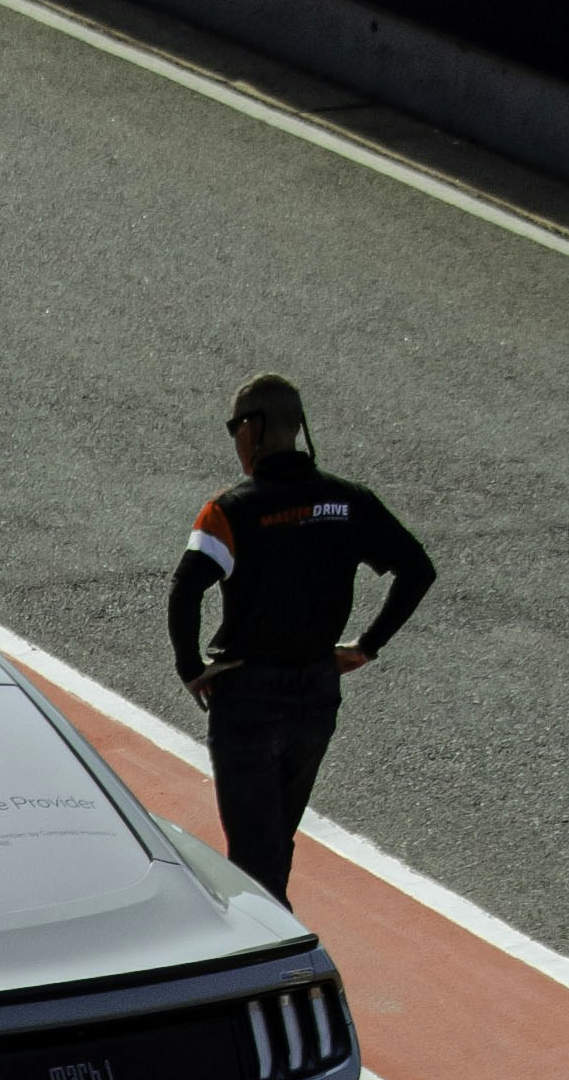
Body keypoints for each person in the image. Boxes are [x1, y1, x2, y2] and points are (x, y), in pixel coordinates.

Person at [166, 375, 435, 901]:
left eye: (234, 428)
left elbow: (185, 587)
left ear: (253, 428)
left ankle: (273, 958)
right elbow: (417, 570)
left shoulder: (231, 509)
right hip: (315, 694)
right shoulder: (350, 501)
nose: (235, 441)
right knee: (274, 845)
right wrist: (365, 646)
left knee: (253, 863)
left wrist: (189, 668)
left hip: (248, 699)